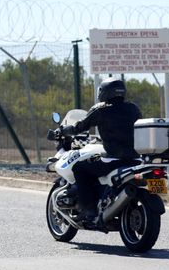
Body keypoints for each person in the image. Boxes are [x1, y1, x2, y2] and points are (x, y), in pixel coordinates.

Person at [61, 77, 142, 223]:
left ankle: (89, 210)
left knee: (80, 168)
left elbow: (80, 127)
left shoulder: (101, 109)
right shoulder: (133, 108)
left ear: (104, 92)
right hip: (135, 159)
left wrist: (66, 130)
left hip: (113, 159)